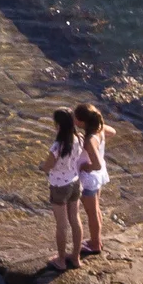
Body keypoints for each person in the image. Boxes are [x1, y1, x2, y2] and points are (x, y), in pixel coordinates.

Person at [45, 107, 84, 271]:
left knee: (61, 225)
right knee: (75, 219)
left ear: (58, 125)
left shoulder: (57, 147)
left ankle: (61, 260)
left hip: (59, 187)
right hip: (75, 182)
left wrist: (41, 166)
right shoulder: (79, 138)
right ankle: (75, 257)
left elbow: (48, 166)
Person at [75, 102, 111, 256]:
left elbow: (95, 164)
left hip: (90, 179)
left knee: (92, 212)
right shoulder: (100, 129)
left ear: (82, 122)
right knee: (96, 210)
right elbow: (114, 131)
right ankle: (97, 239)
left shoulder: (90, 139)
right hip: (99, 176)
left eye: (75, 118)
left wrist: (85, 167)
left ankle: (95, 243)